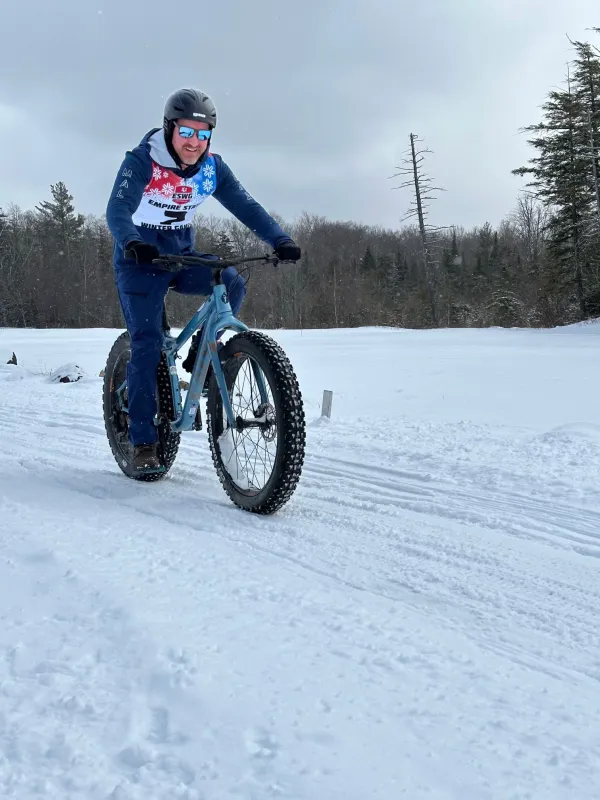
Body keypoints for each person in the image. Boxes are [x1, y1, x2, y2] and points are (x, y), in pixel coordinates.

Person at [106, 88, 301, 471]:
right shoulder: (143, 160)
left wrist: (280, 239)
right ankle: (143, 440)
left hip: (180, 251)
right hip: (139, 257)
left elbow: (246, 206)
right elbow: (118, 208)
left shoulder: (213, 168)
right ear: (169, 128)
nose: (194, 142)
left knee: (231, 283)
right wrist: (131, 240)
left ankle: (202, 354)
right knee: (146, 347)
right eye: (186, 132)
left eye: (203, 133)